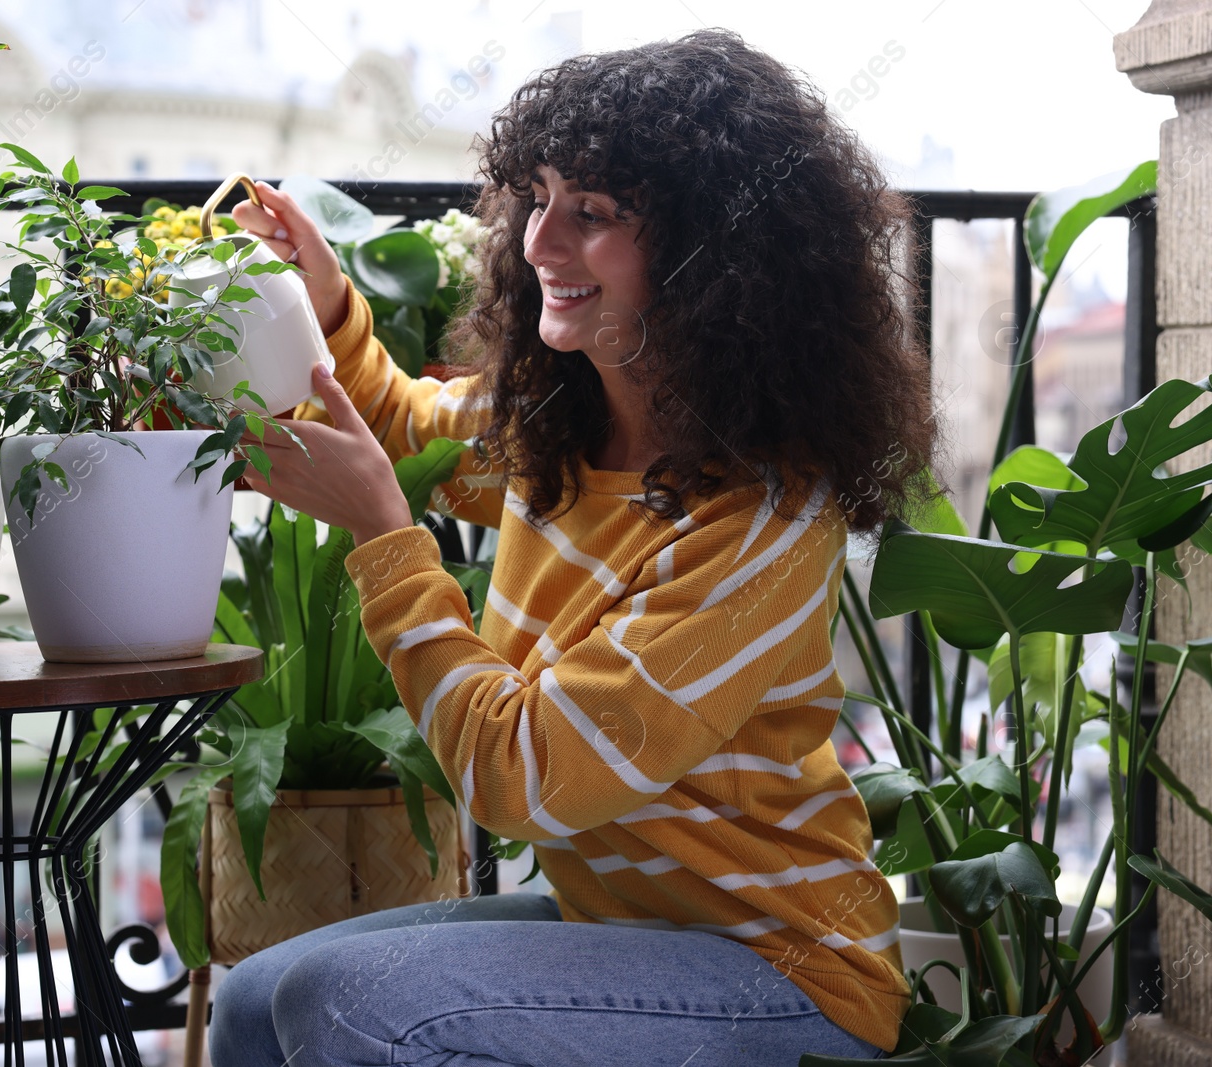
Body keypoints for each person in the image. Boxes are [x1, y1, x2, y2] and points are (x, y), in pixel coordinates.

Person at [214, 29, 938, 1067]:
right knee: (253, 996)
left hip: (785, 975)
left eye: (591, 214)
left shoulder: (762, 522)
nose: (540, 242)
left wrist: (386, 535)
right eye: (537, 198)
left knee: (348, 1003)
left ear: (714, 256)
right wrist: (324, 300)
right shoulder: (563, 421)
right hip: (625, 929)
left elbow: (521, 777)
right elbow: (406, 433)